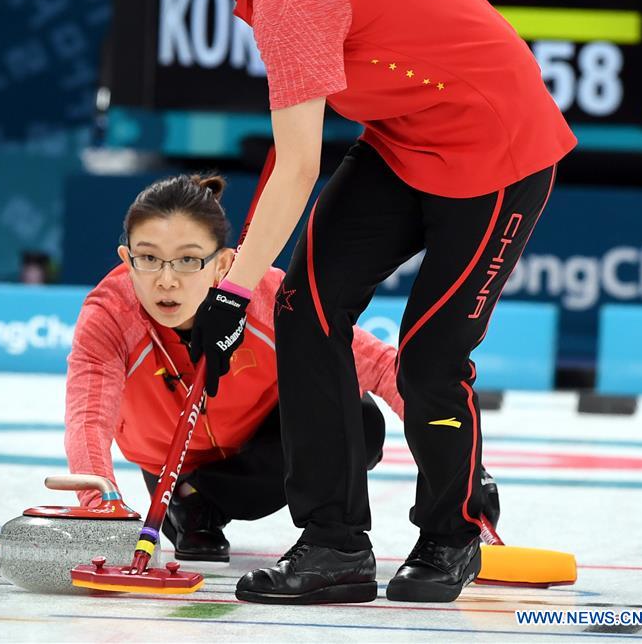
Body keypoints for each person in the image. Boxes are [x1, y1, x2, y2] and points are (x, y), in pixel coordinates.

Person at [121, 0, 572, 604]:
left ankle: (451, 531)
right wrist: (244, 285)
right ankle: (332, 546)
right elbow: (286, 162)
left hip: (495, 152)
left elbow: (295, 168)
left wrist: (229, 290)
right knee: (305, 311)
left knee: (430, 361)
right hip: (403, 140)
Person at [65, 173, 421, 562]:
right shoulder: (110, 314)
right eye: (148, 258)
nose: (166, 281)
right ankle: (187, 504)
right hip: (170, 463)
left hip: (260, 448)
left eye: (187, 260)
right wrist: (99, 504)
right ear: (127, 260)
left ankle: (202, 503)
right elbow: (88, 420)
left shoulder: (267, 296)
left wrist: (454, 470)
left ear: (223, 264)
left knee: (361, 419)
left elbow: (383, 368)